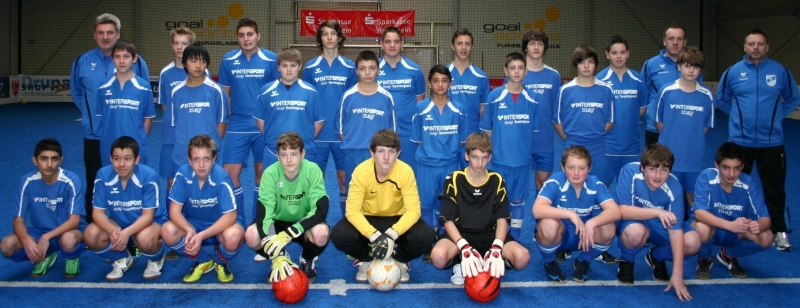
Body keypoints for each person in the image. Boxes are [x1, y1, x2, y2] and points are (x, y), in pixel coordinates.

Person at [716, 29, 799, 252]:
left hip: (772, 143)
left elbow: (793, 98)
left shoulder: (780, 71)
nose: (755, 47)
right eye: (751, 44)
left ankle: (780, 232)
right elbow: (721, 99)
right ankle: (729, 228)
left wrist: (776, 117)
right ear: (745, 47)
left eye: (760, 44)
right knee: (734, 187)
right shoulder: (733, 72)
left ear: (766, 47)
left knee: (774, 189)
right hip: (740, 143)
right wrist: (737, 119)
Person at [71, 13, 149, 224]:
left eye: (110, 32)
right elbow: (78, 93)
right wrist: (93, 115)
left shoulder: (137, 61)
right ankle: (96, 226)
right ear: (94, 35)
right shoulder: (82, 61)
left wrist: (138, 133)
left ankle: (136, 228)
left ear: (118, 34)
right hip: (95, 134)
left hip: (127, 135)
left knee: (133, 183)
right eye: (101, 33)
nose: (105, 37)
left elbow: (144, 96)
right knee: (97, 180)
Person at [330, 129, 435, 283]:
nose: (386, 157)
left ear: (398, 153)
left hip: (397, 218)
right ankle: (368, 259)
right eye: (381, 151)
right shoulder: (361, 171)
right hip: (369, 218)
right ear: (372, 152)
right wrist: (374, 236)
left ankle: (398, 260)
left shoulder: (405, 171)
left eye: (391, 152)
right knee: (339, 234)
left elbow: (413, 211)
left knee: (426, 236)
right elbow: (352, 211)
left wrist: (392, 234)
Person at [430, 132, 529, 285]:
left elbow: (502, 218)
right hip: (460, 234)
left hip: (489, 234)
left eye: (484, 157)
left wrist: (497, 247)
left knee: (522, 258)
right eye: (475, 157)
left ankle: (492, 261)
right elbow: (447, 220)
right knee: (437, 257)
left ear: (490, 157)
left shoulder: (497, 179)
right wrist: (464, 247)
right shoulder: (454, 179)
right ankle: (460, 262)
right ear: (467, 156)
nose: (480, 163)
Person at [615, 144, 700, 301]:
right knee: (636, 233)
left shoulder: (674, 187)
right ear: (642, 167)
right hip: (633, 220)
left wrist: (677, 274)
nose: (658, 175)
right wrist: (657, 211)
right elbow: (623, 211)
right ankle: (627, 260)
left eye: (664, 170)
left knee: (693, 242)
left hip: (659, 225)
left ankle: (657, 256)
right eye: (653, 169)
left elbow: (675, 231)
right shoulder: (629, 172)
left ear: (670, 171)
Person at [218, 18, 280, 228]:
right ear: (238, 38)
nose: (246, 39)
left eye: (250, 34)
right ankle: (236, 220)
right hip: (237, 125)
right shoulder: (228, 60)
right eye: (242, 35)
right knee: (229, 173)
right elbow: (224, 95)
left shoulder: (271, 60)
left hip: (264, 126)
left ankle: (257, 223)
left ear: (258, 36)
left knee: (262, 175)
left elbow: (276, 92)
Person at [244, 132, 329, 282]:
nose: (289, 160)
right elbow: (265, 212)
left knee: (321, 233)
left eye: (294, 154)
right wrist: (276, 255)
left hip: (304, 222)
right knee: (251, 236)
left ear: (303, 154)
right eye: (284, 155)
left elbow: (321, 208)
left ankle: (306, 258)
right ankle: (280, 256)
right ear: (277, 155)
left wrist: (291, 232)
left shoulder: (313, 170)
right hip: (278, 221)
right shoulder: (270, 174)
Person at [161, 134, 245, 283]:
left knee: (234, 237)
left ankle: (220, 262)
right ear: (189, 161)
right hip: (195, 223)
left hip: (220, 226)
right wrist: (189, 230)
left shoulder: (221, 178)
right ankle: (204, 261)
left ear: (214, 159)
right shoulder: (182, 174)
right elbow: (174, 211)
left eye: (206, 159)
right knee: (167, 231)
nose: (201, 165)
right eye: (196, 159)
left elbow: (231, 216)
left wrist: (201, 236)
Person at [83, 136, 168, 280]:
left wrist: (127, 233)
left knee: (144, 239)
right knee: (90, 235)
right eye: (117, 158)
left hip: (149, 223)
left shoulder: (148, 176)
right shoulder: (103, 175)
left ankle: (156, 258)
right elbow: (97, 213)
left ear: (137, 159)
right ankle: (124, 258)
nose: (121, 164)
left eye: (127, 159)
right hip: (119, 223)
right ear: (111, 159)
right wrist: (113, 230)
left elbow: (148, 215)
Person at [532, 145, 620, 283]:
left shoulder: (595, 183)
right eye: (571, 167)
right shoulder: (556, 181)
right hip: (561, 235)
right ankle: (549, 262)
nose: (576, 173)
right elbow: (537, 210)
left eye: (582, 168)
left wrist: (592, 223)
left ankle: (584, 261)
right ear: (562, 167)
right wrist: (571, 214)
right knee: (547, 225)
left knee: (608, 227)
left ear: (589, 168)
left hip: (585, 236)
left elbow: (615, 211)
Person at [0, 138, 85, 278]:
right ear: (35, 161)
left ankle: (72, 257)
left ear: (61, 160)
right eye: (44, 159)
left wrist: (46, 237)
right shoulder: (27, 181)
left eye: (54, 159)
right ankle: (44, 256)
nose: (49, 164)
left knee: (68, 241)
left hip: (70, 231)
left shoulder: (71, 180)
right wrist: (27, 240)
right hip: (39, 231)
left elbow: (74, 221)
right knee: (6, 245)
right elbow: (18, 220)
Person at [480, 52, 540, 239]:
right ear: (505, 70)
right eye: (512, 68)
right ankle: (498, 235)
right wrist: (496, 149)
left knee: (517, 200)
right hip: (499, 161)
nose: (516, 71)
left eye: (520, 68)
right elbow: (487, 129)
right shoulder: (495, 96)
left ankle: (515, 235)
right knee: (497, 201)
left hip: (522, 161)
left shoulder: (533, 98)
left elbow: (533, 131)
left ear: (526, 71)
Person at [692, 142, 774, 279]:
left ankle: (728, 254)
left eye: (737, 168)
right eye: (726, 168)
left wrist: (759, 225)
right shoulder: (707, 177)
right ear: (717, 165)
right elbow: (699, 213)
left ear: (742, 166)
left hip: (736, 232)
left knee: (767, 236)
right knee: (701, 228)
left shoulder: (746, 182)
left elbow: (765, 218)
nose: (732, 173)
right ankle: (705, 259)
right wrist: (730, 225)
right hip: (712, 229)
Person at [302, 20, 357, 218]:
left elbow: (353, 100)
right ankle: (314, 225)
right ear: (320, 39)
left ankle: (349, 224)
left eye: (333, 33)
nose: (329, 37)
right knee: (315, 182)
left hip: (342, 135)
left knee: (345, 180)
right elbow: (306, 101)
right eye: (325, 34)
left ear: (340, 37)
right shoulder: (310, 68)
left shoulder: (351, 67)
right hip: (317, 136)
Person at [655, 46, 714, 213]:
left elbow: (705, 126)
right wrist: (670, 137)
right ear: (679, 66)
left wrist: (690, 138)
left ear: (700, 70)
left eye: (695, 67)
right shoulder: (666, 91)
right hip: (668, 157)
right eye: (687, 65)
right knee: (665, 195)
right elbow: (659, 121)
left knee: (692, 197)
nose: (691, 70)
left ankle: (695, 230)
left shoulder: (706, 95)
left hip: (693, 158)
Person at [411, 64, 467, 232]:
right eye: (436, 81)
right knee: (426, 204)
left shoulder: (459, 109)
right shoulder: (420, 109)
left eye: (444, 80)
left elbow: (462, 141)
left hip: (450, 165)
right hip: (427, 166)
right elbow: (418, 140)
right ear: (429, 84)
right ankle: (429, 239)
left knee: (447, 205)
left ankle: (443, 237)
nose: (440, 85)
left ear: (450, 83)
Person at [334, 50, 396, 191]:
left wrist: (381, 151)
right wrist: (354, 145)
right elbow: (341, 130)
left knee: (379, 195)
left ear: (378, 70)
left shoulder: (387, 97)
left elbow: (392, 132)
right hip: (353, 154)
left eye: (372, 68)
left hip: (379, 155)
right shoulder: (347, 96)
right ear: (356, 71)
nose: (367, 73)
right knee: (356, 194)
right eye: (363, 68)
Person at [554, 45, 615, 186]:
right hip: (572, 146)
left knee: (598, 188)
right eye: (582, 62)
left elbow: (610, 119)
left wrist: (596, 135)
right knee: (571, 188)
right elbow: (557, 120)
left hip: (597, 147)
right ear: (576, 64)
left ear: (596, 64)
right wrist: (570, 138)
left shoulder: (606, 89)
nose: (586, 66)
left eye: (591, 62)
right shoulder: (565, 90)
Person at [254, 48, 323, 170]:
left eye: (293, 65)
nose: (289, 69)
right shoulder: (266, 90)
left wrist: (305, 140)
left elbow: (318, 122)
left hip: (304, 151)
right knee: (274, 187)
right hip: (273, 151)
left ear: (300, 66)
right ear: (278, 68)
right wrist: (272, 137)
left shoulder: (311, 91)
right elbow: (260, 120)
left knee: (303, 188)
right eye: (284, 65)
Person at [597, 35, 648, 182]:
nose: (618, 56)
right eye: (614, 53)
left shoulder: (638, 80)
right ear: (607, 54)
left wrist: (627, 115)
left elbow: (642, 109)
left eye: (622, 52)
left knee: (628, 188)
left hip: (631, 146)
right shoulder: (600, 81)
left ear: (628, 53)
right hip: (606, 146)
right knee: (601, 187)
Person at [97, 40, 155, 167]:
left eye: (126, 56)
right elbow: (102, 119)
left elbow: (148, 119)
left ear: (134, 59)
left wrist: (139, 139)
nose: (122, 61)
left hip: (135, 146)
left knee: (136, 182)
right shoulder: (103, 87)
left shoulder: (144, 87)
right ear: (112, 59)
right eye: (117, 56)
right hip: (109, 145)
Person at [170, 44, 227, 172]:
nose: (198, 65)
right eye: (193, 60)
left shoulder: (216, 90)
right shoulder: (176, 92)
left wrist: (213, 147)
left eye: (203, 61)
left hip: (207, 153)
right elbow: (176, 124)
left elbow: (222, 121)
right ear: (184, 63)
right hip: (182, 153)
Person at [642, 23, 700, 146]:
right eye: (671, 38)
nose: (675, 42)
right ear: (664, 41)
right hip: (655, 129)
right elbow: (643, 93)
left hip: (686, 129)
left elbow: (698, 97)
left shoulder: (694, 67)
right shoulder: (651, 64)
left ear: (685, 42)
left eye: (679, 39)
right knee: (655, 165)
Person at [377, 27, 426, 170]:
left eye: (396, 41)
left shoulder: (415, 70)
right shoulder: (373, 70)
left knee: (408, 174)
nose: (392, 45)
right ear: (381, 44)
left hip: (408, 134)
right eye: (388, 42)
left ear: (402, 44)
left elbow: (420, 105)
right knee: (382, 176)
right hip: (380, 132)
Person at [520, 29, 562, 191]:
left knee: (543, 184)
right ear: (525, 47)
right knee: (518, 185)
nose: (536, 47)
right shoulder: (516, 73)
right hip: (521, 140)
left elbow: (558, 110)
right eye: (532, 43)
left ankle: (542, 216)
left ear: (545, 48)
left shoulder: (553, 76)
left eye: (540, 44)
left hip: (544, 140)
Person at [447, 28, 490, 136]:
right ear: (452, 46)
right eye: (459, 43)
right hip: (447, 133)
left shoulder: (481, 76)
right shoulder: (442, 74)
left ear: (472, 47)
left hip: (473, 135)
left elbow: (483, 109)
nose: (463, 47)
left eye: (467, 44)